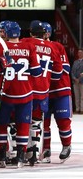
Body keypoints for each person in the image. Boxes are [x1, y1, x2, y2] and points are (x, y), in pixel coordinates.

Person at [0, 21, 42, 168]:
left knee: (1, 124)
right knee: (23, 124)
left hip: (6, 92)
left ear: (5, 33)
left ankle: (1, 154)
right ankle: (20, 155)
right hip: (25, 92)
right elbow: (37, 72)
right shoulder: (29, 46)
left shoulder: (0, 46)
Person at [21, 20, 63, 166]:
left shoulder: (26, 42)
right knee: (37, 121)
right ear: (44, 34)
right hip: (43, 89)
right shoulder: (52, 47)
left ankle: (20, 151)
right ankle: (35, 152)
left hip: (25, 89)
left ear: (31, 32)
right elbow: (58, 72)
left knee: (21, 120)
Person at [42, 22, 72, 163]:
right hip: (44, 91)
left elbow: (65, 68)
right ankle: (45, 149)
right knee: (43, 122)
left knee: (63, 121)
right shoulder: (33, 46)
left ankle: (66, 145)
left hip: (60, 89)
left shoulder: (57, 46)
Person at [71, 48, 83, 114]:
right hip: (75, 81)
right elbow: (72, 71)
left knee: (82, 96)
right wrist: (74, 78)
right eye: (78, 53)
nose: (79, 54)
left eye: (81, 52)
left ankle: (82, 109)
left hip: (82, 81)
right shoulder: (75, 62)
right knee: (77, 96)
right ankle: (77, 109)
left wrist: (79, 79)